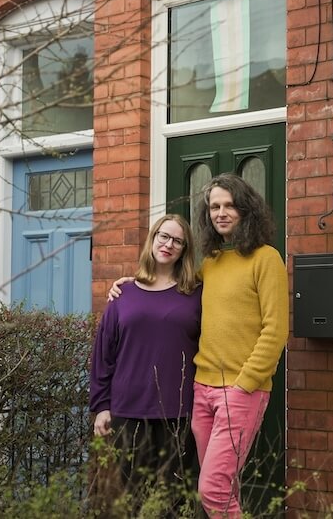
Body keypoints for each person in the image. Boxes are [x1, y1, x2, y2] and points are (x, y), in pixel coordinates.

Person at [109, 173, 289, 518]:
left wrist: (246, 382)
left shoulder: (267, 259)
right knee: (218, 487)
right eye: (213, 207)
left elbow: (275, 329)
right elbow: (169, 291)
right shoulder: (211, 263)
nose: (220, 213)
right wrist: (133, 284)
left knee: (213, 488)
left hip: (241, 390)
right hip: (202, 390)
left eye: (229, 205)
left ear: (245, 209)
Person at [90, 213, 202, 511]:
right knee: (129, 499)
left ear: (184, 249)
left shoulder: (195, 294)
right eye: (163, 236)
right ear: (152, 239)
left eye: (177, 240)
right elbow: (103, 354)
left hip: (178, 413)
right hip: (128, 411)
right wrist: (101, 406)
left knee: (173, 501)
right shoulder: (123, 294)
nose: (168, 244)